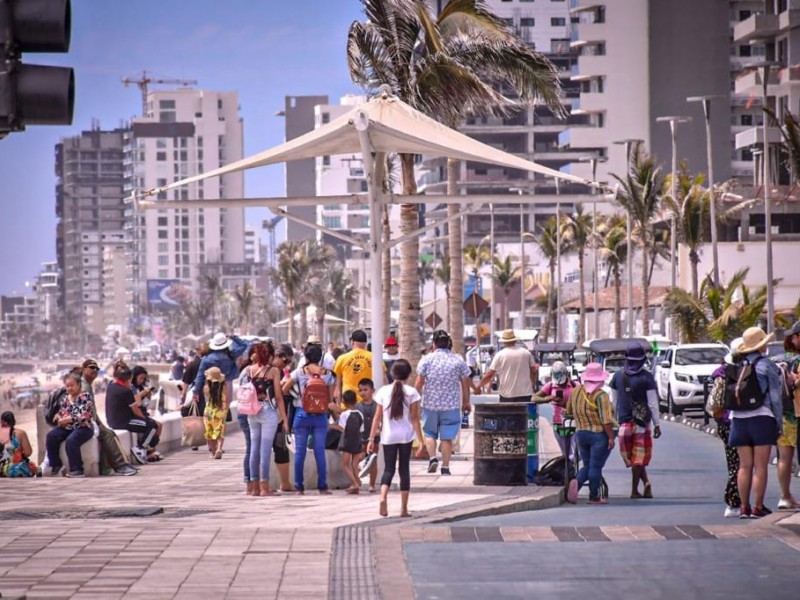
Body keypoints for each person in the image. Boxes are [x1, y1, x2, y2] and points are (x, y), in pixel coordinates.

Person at [730, 327, 783, 518]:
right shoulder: (767, 365)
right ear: (761, 346)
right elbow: (775, 397)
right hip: (762, 417)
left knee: (744, 466)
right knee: (761, 466)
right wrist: (778, 422)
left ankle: (743, 507)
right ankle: (758, 507)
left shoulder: (737, 365)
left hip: (739, 419)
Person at [367, 359, 424, 517]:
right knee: (404, 470)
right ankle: (404, 509)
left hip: (388, 436)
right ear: (408, 375)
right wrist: (421, 442)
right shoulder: (412, 392)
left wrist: (371, 439)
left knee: (389, 469)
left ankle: (383, 497)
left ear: (391, 374)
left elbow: (377, 418)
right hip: (406, 436)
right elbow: (414, 419)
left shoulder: (383, 391)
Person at [415, 329, 472, 475]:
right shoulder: (457, 360)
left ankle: (433, 458)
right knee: (447, 437)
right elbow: (466, 382)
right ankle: (445, 467)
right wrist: (466, 401)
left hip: (430, 405)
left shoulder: (426, 359)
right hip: (451, 405)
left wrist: (414, 398)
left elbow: (420, 381)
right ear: (448, 344)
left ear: (433, 344)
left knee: (429, 434)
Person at [609, 343, 661, 499]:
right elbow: (652, 403)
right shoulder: (647, 377)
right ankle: (634, 489)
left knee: (633, 458)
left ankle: (645, 483)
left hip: (623, 424)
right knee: (639, 457)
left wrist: (612, 424)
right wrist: (657, 424)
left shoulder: (617, 376)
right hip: (641, 424)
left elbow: (613, 403)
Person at [282, 344, 336, 495]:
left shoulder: (299, 372)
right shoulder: (328, 374)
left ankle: (299, 486)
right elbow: (331, 399)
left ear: (305, 357)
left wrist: (298, 396)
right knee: (319, 451)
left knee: (300, 452)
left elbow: (284, 389)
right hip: (320, 415)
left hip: (301, 414)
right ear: (321, 358)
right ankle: (322, 486)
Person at [565, 363, 617, 505]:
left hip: (581, 434)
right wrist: (611, 437)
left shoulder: (575, 392)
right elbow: (606, 420)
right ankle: (594, 496)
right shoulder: (601, 396)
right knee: (595, 466)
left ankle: (577, 481)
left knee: (587, 465)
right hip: (598, 435)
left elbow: (568, 411)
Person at [245, 341, 289, 497]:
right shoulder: (274, 371)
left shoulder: (249, 370)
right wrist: (284, 419)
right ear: (269, 355)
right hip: (267, 411)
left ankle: (254, 487)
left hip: (252, 411)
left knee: (253, 450)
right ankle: (265, 487)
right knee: (265, 450)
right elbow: (278, 397)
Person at [81, 359, 137, 476]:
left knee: (109, 433)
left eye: (96, 369)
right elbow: (85, 409)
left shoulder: (88, 385)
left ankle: (107, 467)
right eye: (91, 368)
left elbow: (92, 408)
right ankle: (120, 465)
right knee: (107, 435)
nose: (94, 371)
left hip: (91, 420)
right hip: (83, 421)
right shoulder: (84, 386)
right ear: (83, 369)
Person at [709, 340, 744, 518]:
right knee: (744, 465)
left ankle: (736, 502)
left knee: (735, 464)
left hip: (727, 424)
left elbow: (714, 404)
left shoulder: (721, 374)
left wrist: (721, 419)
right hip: (743, 421)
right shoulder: (748, 371)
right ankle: (734, 500)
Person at [106, 361, 161, 465]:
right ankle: (140, 448)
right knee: (152, 426)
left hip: (113, 421)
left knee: (150, 424)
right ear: (128, 378)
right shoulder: (126, 391)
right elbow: (136, 410)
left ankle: (144, 449)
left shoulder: (111, 386)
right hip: (124, 422)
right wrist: (145, 420)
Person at [44, 371, 96, 478]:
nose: (69, 388)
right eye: (67, 386)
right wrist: (58, 416)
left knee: (71, 440)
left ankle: (77, 469)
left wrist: (70, 419)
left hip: (83, 427)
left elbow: (85, 415)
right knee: (51, 436)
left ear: (79, 385)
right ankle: (56, 464)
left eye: (72, 385)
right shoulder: (66, 398)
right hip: (67, 427)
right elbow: (62, 411)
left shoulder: (85, 397)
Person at [474, 329, 536, 402]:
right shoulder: (526, 353)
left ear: (504, 342)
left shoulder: (500, 355)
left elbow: (489, 374)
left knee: (507, 413)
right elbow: (533, 371)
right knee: (524, 413)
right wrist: (532, 385)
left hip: (507, 394)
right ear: (515, 340)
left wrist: (478, 387)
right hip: (525, 393)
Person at [533, 360, 575, 458]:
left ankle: (572, 465)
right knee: (565, 453)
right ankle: (569, 471)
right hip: (558, 422)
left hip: (574, 421)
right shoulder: (550, 385)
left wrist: (566, 405)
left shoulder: (575, 385)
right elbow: (534, 398)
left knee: (576, 452)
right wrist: (548, 398)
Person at [334, 330, 377, 404]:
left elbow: (337, 383)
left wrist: (338, 396)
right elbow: (384, 378)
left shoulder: (342, 358)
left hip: (349, 402)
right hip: (369, 402)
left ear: (352, 342)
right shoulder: (374, 357)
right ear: (365, 343)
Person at [334, 390, 365, 494]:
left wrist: (330, 425)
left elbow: (342, 428)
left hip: (347, 442)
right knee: (354, 465)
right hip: (357, 442)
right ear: (356, 401)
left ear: (344, 402)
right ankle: (357, 482)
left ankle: (355, 483)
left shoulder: (344, 414)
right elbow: (361, 430)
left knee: (345, 464)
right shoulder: (360, 414)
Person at [783, 321, 800, 506]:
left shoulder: (792, 360)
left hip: (792, 413)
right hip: (794, 413)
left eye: (794, 336)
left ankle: (785, 496)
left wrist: (794, 382)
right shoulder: (793, 359)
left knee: (786, 457)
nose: (792, 339)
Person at [131, 365, 163, 461]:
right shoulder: (131, 388)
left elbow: (144, 405)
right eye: (140, 378)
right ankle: (148, 450)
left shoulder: (140, 388)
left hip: (142, 412)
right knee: (154, 426)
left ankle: (150, 448)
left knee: (159, 426)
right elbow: (135, 403)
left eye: (143, 378)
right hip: (136, 414)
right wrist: (140, 395)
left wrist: (148, 397)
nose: (142, 380)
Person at [356, 378, 379, 492]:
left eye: (365, 390)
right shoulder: (357, 406)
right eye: (360, 390)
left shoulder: (377, 406)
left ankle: (372, 484)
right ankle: (356, 482)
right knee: (358, 458)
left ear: (372, 390)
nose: (363, 392)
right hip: (360, 438)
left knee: (373, 460)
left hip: (374, 438)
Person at [203, 367, 229, 460]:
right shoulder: (223, 387)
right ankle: (219, 448)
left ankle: (213, 452)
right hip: (220, 410)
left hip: (209, 411)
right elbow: (227, 398)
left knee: (209, 431)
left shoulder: (207, 388)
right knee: (220, 431)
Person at [0, 411, 37, 477]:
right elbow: (28, 452)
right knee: (31, 467)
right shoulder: (21, 433)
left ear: (2, 422)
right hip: (17, 467)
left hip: (2, 467)